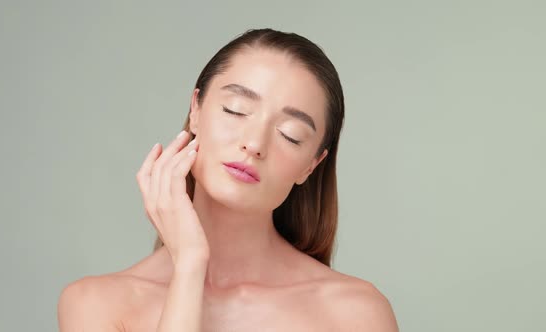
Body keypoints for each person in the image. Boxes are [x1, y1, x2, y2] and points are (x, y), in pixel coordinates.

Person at [57, 28, 399, 332]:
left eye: (290, 134)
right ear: (196, 109)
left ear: (311, 165)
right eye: (235, 109)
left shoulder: (356, 313)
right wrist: (190, 264)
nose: (254, 144)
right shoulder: (95, 304)